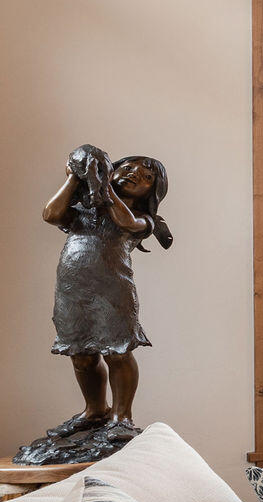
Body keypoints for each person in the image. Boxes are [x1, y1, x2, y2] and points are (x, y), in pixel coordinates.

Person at [38, 144, 172, 439]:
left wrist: (104, 188)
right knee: (81, 354)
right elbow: (50, 213)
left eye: (146, 175)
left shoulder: (143, 220)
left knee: (118, 353)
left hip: (113, 291)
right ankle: (95, 410)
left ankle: (122, 417)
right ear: (112, 170)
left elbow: (125, 221)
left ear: (152, 192)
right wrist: (77, 174)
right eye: (128, 167)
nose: (134, 174)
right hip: (72, 288)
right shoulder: (83, 209)